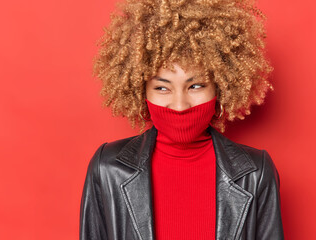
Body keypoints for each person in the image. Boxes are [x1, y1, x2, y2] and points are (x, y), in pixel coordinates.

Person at [80, 0, 284, 239]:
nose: (179, 105)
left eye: (196, 86)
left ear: (220, 87)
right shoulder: (107, 168)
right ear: (140, 90)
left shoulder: (255, 172)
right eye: (162, 88)